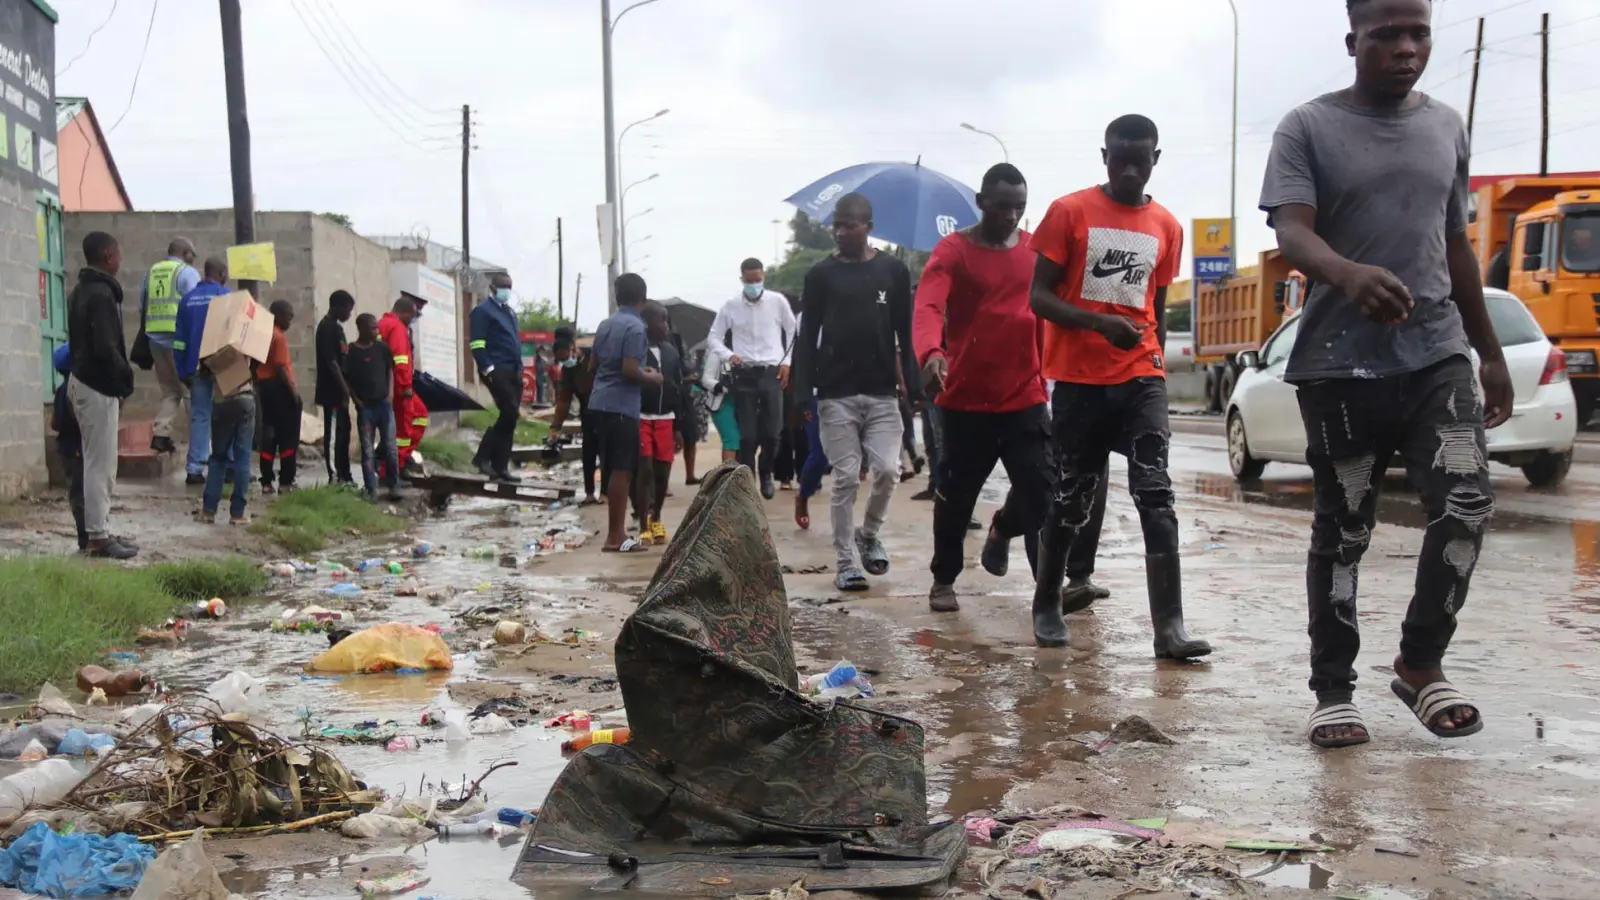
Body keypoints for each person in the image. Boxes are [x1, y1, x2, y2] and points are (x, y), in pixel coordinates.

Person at [1262, 0, 1508, 749]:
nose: (1406, 50)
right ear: (1353, 42)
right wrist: (1346, 273)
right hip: (1341, 368)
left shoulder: (1445, 126)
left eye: (1419, 34)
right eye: (1388, 36)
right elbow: (1291, 227)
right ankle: (1333, 689)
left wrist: (1489, 351)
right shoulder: (1306, 127)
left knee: (1466, 505)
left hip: (1437, 354)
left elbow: (1456, 244)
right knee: (1345, 531)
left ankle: (1420, 664)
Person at [1027, 114, 1211, 658]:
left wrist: (1146, 347)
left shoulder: (1167, 226)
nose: (1130, 168)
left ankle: (1169, 628)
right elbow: (1039, 297)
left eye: (1141, 158)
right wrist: (1098, 323)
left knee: (1156, 494)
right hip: (1081, 381)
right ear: (1103, 155)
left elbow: (1153, 304)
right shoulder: (1069, 211)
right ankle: (1047, 602)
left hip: (1141, 375)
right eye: (1119, 158)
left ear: (1157, 157)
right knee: (1071, 496)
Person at [914, 163, 1055, 613]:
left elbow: (1047, 312)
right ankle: (943, 579)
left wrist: (1046, 373)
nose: (1011, 216)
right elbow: (929, 305)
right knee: (955, 497)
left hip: (1024, 398)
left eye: (1019, 208)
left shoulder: (1036, 252)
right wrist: (931, 353)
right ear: (980, 202)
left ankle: (1038, 579)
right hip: (966, 400)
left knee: (1041, 493)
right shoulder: (953, 251)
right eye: (1001, 207)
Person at [792, 193, 917, 592]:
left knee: (887, 470)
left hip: (881, 392)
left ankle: (869, 533)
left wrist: (913, 387)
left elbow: (906, 332)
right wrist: (802, 394)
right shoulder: (820, 275)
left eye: (850, 225)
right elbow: (807, 334)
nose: (842, 232)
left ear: (869, 227)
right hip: (835, 393)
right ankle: (846, 563)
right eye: (838, 225)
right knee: (845, 476)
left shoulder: (893, 271)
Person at [68, 232, 136, 559]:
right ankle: (98, 537)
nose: (121, 259)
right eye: (119, 252)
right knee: (101, 466)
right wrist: (125, 379)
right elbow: (106, 348)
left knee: (95, 463)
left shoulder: (81, 290)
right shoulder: (101, 296)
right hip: (97, 387)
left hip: (83, 382)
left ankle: (98, 528)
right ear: (109, 255)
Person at [707, 258, 797, 498]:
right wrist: (728, 355)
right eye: (749, 281)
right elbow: (714, 337)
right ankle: (749, 481)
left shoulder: (777, 302)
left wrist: (786, 362)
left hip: (771, 372)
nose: (754, 285)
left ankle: (766, 470)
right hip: (744, 373)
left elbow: (792, 330)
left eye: (758, 280)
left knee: (773, 432)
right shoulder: (731, 306)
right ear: (742, 279)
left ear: (763, 277)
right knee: (746, 435)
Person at [590, 274, 663, 553]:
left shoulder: (605, 324)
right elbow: (629, 370)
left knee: (611, 467)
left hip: (600, 402)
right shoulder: (635, 328)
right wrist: (652, 378)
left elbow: (594, 365)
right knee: (623, 469)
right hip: (622, 406)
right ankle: (616, 536)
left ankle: (615, 532)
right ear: (643, 298)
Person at [174, 257, 233, 486]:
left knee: (200, 417)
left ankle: (195, 469)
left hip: (195, 368)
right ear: (221, 273)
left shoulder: (187, 300)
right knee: (227, 417)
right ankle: (227, 467)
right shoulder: (227, 297)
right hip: (223, 367)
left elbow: (179, 341)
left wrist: (182, 370)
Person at [139, 238, 201, 455]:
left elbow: (142, 305)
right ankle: (200, 445)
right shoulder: (187, 273)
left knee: (170, 392)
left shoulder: (152, 272)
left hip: (155, 339)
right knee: (192, 392)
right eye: (193, 254)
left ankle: (161, 435)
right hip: (179, 342)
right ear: (185, 253)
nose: (194, 258)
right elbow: (195, 304)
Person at [635, 301, 688, 543]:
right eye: (662, 320)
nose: (666, 326)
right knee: (644, 469)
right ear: (647, 324)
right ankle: (643, 523)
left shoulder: (671, 352)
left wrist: (678, 427)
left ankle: (656, 517)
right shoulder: (636, 350)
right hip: (642, 417)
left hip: (666, 419)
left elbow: (677, 389)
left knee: (662, 472)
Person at [469, 272, 526, 482]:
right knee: (510, 412)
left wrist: (519, 369)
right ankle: (482, 457)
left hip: (513, 370)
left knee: (510, 419)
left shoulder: (509, 312)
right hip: (496, 369)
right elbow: (476, 343)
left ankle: (500, 466)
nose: (507, 290)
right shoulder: (483, 311)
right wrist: (488, 368)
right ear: (493, 288)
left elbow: (515, 343)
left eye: (509, 286)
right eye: (503, 286)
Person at [346, 313, 404, 502]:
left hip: (383, 405)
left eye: (376, 328)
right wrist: (356, 400)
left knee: (390, 447)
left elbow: (390, 370)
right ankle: (371, 488)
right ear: (361, 328)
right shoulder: (352, 352)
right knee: (368, 450)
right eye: (372, 328)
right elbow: (346, 380)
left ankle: (394, 485)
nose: (376, 332)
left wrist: (390, 393)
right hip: (366, 408)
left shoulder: (382, 348)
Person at [198, 347, 257, 526]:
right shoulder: (245, 337)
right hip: (244, 398)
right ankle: (237, 513)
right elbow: (256, 365)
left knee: (218, 457)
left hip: (221, 400)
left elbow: (203, 372)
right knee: (243, 458)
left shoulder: (214, 341)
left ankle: (208, 510)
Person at [550, 327, 600, 503]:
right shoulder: (568, 371)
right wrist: (555, 427)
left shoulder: (594, 356)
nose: (566, 362)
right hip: (587, 412)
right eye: (562, 360)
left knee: (608, 453)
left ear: (574, 348)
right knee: (589, 453)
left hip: (606, 411)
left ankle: (607, 493)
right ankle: (589, 493)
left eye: (567, 357)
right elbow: (564, 400)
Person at [378, 297, 428, 477]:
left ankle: (396, 461)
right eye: (412, 315)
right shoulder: (397, 328)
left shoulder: (382, 324)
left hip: (385, 385)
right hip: (399, 387)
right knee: (405, 430)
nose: (413, 319)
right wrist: (406, 386)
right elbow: (400, 360)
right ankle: (393, 469)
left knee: (417, 417)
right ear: (404, 313)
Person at [257, 300, 302, 493]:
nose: (290, 321)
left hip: (264, 387)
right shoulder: (278, 337)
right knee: (288, 436)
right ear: (278, 315)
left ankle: (266, 481)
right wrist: (294, 393)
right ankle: (286, 481)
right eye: (288, 316)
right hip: (280, 389)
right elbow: (280, 367)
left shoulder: (262, 333)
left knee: (268, 434)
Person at [315, 290, 357, 486]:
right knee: (332, 435)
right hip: (331, 392)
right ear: (339, 307)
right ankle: (334, 476)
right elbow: (331, 362)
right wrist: (344, 389)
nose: (349, 315)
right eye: (348, 310)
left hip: (340, 392)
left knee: (344, 432)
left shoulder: (337, 328)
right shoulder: (326, 328)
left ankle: (345, 474)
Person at [50, 345, 86, 551]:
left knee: (77, 492)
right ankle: (86, 535)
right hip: (77, 449)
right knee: (81, 493)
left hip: (66, 449)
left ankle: (86, 533)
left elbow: (54, 424)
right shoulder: (76, 392)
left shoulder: (60, 391)